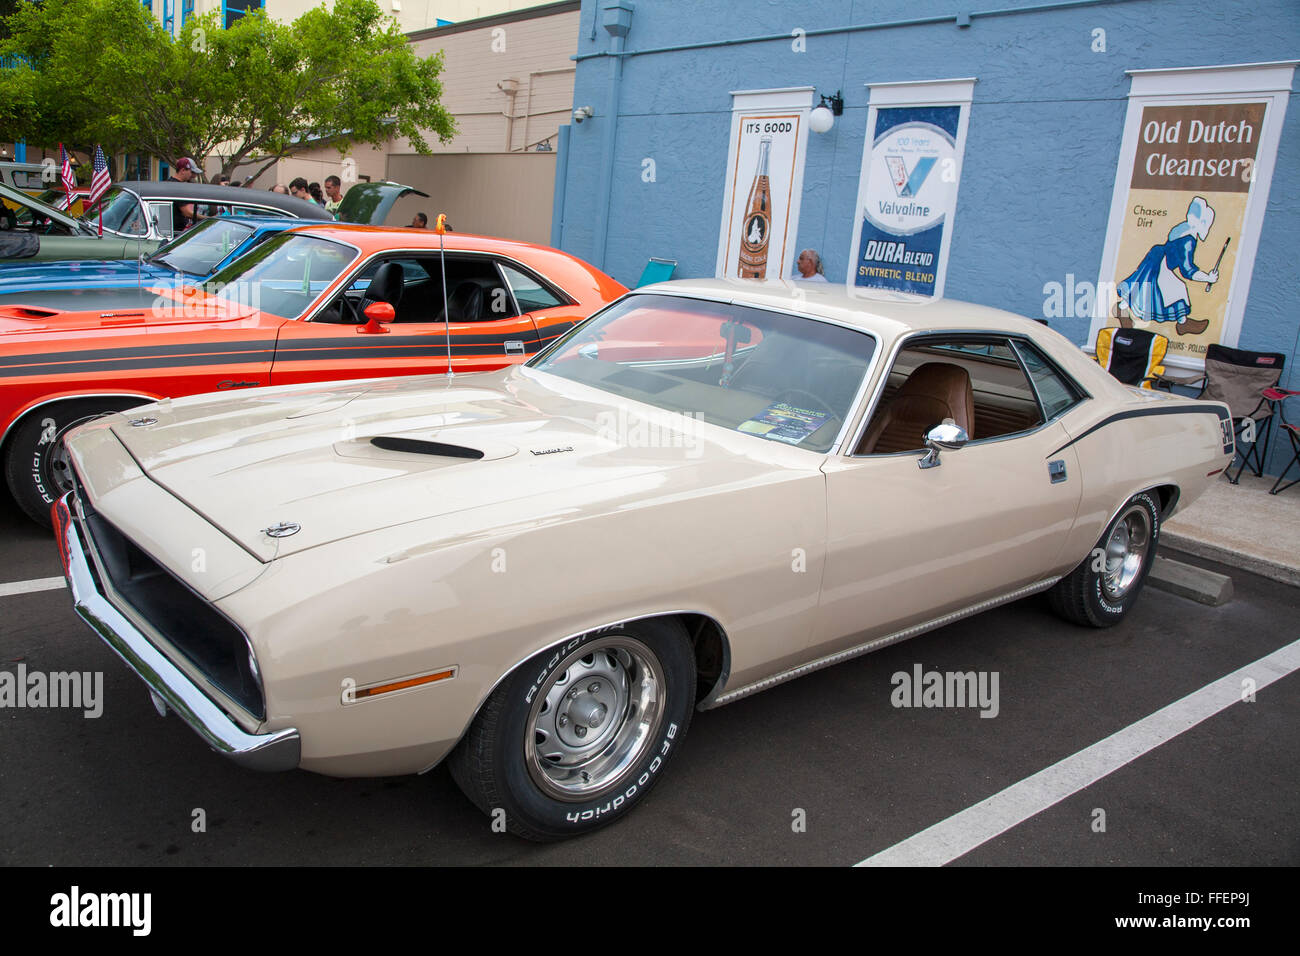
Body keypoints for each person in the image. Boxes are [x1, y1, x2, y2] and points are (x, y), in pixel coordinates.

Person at [1115, 196, 1219, 337]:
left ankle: (1122, 308)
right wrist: (1208, 277)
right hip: (1161, 264)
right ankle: (1183, 324)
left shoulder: (1182, 229)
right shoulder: (1188, 241)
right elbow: (1187, 270)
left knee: (1141, 286)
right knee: (1174, 289)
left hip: (1156, 256)